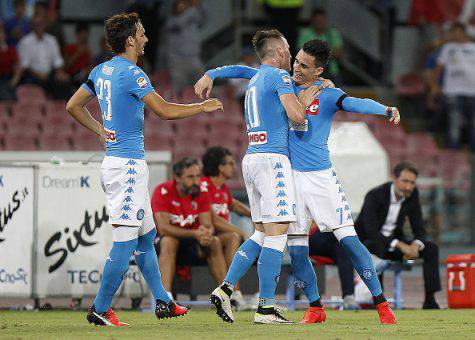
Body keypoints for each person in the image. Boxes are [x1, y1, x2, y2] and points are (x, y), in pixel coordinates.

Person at [194, 39, 401, 324]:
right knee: (297, 250)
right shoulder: (284, 85)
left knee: (349, 242)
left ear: (319, 71)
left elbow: (355, 103)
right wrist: (213, 73)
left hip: (321, 178)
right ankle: (315, 307)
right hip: (289, 178)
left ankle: (381, 303)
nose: (297, 68)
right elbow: (246, 71)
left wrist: (384, 109)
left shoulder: (328, 93)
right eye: (296, 62)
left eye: (304, 66)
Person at [66, 12, 223, 327]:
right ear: (129, 40)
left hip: (120, 164)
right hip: (126, 168)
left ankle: (163, 301)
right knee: (125, 242)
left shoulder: (101, 71)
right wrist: (200, 107)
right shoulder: (133, 73)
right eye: (142, 33)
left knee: (145, 238)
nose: (146, 39)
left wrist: (99, 129)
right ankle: (100, 308)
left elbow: (73, 105)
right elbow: (163, 110)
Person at [199, 29, 314, 325]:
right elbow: (297, 115)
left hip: (251, 159)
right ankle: (265, 308)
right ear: (277, 53)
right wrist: (310, 96)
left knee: (262, 233)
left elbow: (237, 68)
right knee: (278, 235)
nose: (291, 56)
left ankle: (225, 289)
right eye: (288, 50)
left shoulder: (255, 77)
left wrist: (212, 72)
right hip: (273, 161)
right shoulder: (279, 78)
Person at [355, 161, 441, 309]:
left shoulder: (412, 195)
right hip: (370, 243)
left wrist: (415, 245)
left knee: (431, 248)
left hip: (394, 244)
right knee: (377, 246)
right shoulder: (375, 195)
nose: (408, 187)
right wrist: (400, 245)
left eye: (412, 183)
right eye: (405, 181)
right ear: (394, 178)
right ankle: (378, 301)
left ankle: (430, 300)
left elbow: (419, 228)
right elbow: (372, 231)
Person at [151, 157, 227, 296]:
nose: (196, 181)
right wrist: (195, 234)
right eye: (190, 177)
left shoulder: (201, 192)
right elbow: (163, 228)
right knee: (169, 241)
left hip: (193, 244)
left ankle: (225, 296)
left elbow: (207, 224)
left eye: (198, 176)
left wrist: (207, 233)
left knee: (214, 241)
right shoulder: (162, 191)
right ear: (177, 177)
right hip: (164, 245)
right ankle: (165, 298)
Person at [201, 146, 252, 309]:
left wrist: (254, 215)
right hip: (203, 238)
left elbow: (234, 205)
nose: (233, 167)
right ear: (220, 167)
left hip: (220, 238)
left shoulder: (222, 188)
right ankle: (230, 293)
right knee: (233, 237)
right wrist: (241, 232)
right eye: (230, 163)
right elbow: (212, 219)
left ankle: (233, 294)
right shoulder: (204, 186)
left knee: (233, 238)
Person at [430, 23, 475, 150]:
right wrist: (434, 86)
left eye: (457, 31)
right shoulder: (448, 48)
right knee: (454, 123)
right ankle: (453, 151)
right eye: (453, 32)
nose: (455, 35)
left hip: (472, 91)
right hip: (453, 91)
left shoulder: (474, 48)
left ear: (463, 32)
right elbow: (438, 68)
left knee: (473, 123)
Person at [14, 15, 71, 99]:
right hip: (31, 75)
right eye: (36, 24)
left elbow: (58, 62)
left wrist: (59, 72)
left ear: (45, 25)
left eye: (41, 24)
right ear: (32, 26)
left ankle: (61, 109)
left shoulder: (52, 40)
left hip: (50, 74)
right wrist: (38, 74)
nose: (39, 27)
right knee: (37, 82)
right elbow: (24, 65)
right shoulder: (25, 42)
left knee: (64, 80)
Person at [308, 224, 359, 310]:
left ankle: (348, 297)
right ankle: (348, 295)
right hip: (308, 239)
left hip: (328, 240)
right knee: (340, 232)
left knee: (342, 249)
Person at [165, 0, 205, 96]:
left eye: (184, 4)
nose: (182, 6)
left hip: (193, 57)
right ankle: (175, 105)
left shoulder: (192, 18)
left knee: (203, 81)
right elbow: (181, 23)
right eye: (180, 4)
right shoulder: (171, 21)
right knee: (178, 86)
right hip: (178, 59)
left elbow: (204, 18)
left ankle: (206, 105)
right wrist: (192, 8)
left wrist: (199, 5)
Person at [297, 8, 343, 82]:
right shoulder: (305, 33)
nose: (320, 23)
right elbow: (302, 54)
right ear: (312, 21)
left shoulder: (333, 33)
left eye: (322, 20)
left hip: (332, 72)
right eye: (317, 21)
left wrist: (315, 54)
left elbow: (339, 54)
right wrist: (327, 54)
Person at [63, 23, 92, 87]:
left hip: (84, 76)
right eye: (82, 33)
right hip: (72, 76)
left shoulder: (87, 50)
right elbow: (66, 66)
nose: (84, 36)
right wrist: (78, 53)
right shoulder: (69, 47)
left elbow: (90, 66)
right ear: (77, 34)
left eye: (86, 33)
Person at [0, 22, 19, 100]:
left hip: (7, 79)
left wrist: (13, 82)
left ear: (5, 36)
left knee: (8, 91)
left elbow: (17, 69)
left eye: (1, 33)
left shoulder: (11, 50)